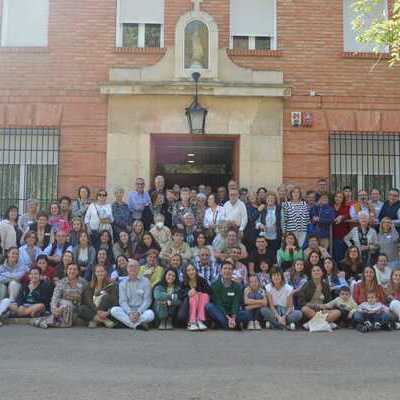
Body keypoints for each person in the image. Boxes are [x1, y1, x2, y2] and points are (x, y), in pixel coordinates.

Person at [32, 263, 87, 328]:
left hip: (77, 310)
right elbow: (55, 297)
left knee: (68, 305)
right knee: (66, 304)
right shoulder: (61, 282)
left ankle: (44, 322)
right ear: (66, 271)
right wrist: (54, 309)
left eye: (74, 269)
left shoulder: (83, 283)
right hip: (61, 309)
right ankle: (49, 321)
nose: (72, 271)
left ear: (78, 271)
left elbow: (86, 298)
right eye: (70, 269)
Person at [110, 260, 154, 329]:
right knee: (114, 310)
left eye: (135, 266)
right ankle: (137, 325)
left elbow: (147, 300)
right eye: (131, 266)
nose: (133, 268)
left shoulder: (146, 281)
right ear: (127, 269)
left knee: (151, 314)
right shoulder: (122, 283)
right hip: (127, 311)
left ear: (139, 269)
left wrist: (138, 312)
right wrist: (130, 313)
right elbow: (123, 301)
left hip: (141, 311)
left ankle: (127, 324)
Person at [205, 261, 248, 330]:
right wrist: (228, 317)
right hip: (220, 311)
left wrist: (233, 318)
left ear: (232, 271)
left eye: (230, 269)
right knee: (209, 306)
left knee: (246, 314)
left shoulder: (237, 286)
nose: (227, 271)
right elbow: (218, 303)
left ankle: (224, 325)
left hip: (233, 312)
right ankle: (231, 325)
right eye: (225, 268)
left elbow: (236, 303)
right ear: (220, 271)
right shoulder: (215, 285)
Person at [297, 265, 340, 329]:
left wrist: (326, 308)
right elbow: (301, 302)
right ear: (311, 273)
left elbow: (329, 301)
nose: (316, 272)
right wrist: (316, 306)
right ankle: (326, 323)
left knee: (337, 312)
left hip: (322, 310)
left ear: (322, 273)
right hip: (311, 310)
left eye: (318, 270)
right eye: (314, 271)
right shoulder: (306, 285)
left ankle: (311, 323)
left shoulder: (325, 285)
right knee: (304, 309)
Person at [78, 264, 117, 328]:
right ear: (95, 273)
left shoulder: (112, 285)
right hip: (93, 309)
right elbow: (89, 301)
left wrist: (108, 312)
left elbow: (115, 299)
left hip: (105, 310)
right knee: (81, 308)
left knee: (105, 297)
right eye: (98, 272)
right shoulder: (89, 285)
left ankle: (94, 320)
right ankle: (104, 320)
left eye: (102, 271)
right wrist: (97, 311)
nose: (100, 273)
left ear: (105, 272)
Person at [179, 264, 212, 331]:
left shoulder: (202, 280)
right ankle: (192, 321)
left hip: (200, 303)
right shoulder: (184, 282)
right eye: (188, 270)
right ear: (186, 272)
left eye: (193, 270)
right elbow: (180, 295)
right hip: (189, 304)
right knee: (194, 295)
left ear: (196, 270)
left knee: (204, 295)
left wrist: (199, 291)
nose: (191, 272)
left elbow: (210, 291)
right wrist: (187, 293)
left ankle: (199, 320)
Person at [256, 191, 281, 259]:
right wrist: (261, 225)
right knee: (266, 254)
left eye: (272, 198)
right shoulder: (262, 208)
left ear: (275, 200)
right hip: (264, 235)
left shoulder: (279, 209)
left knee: (275, 253)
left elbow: (283, 220)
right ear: (266, 199)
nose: (270, 200)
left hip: (276, 236)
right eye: (268, 198)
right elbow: (256, 221)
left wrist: (277, 226)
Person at [332, 191, 351, 263]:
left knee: (342, 256)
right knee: (333, 255)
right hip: (332, 235)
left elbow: (349, 215)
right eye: (336, 196)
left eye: (340, 197)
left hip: (343, 235)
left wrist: (342, 217)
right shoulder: (330, 207)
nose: (338, 198)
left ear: (343, 199)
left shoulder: (347, 207)